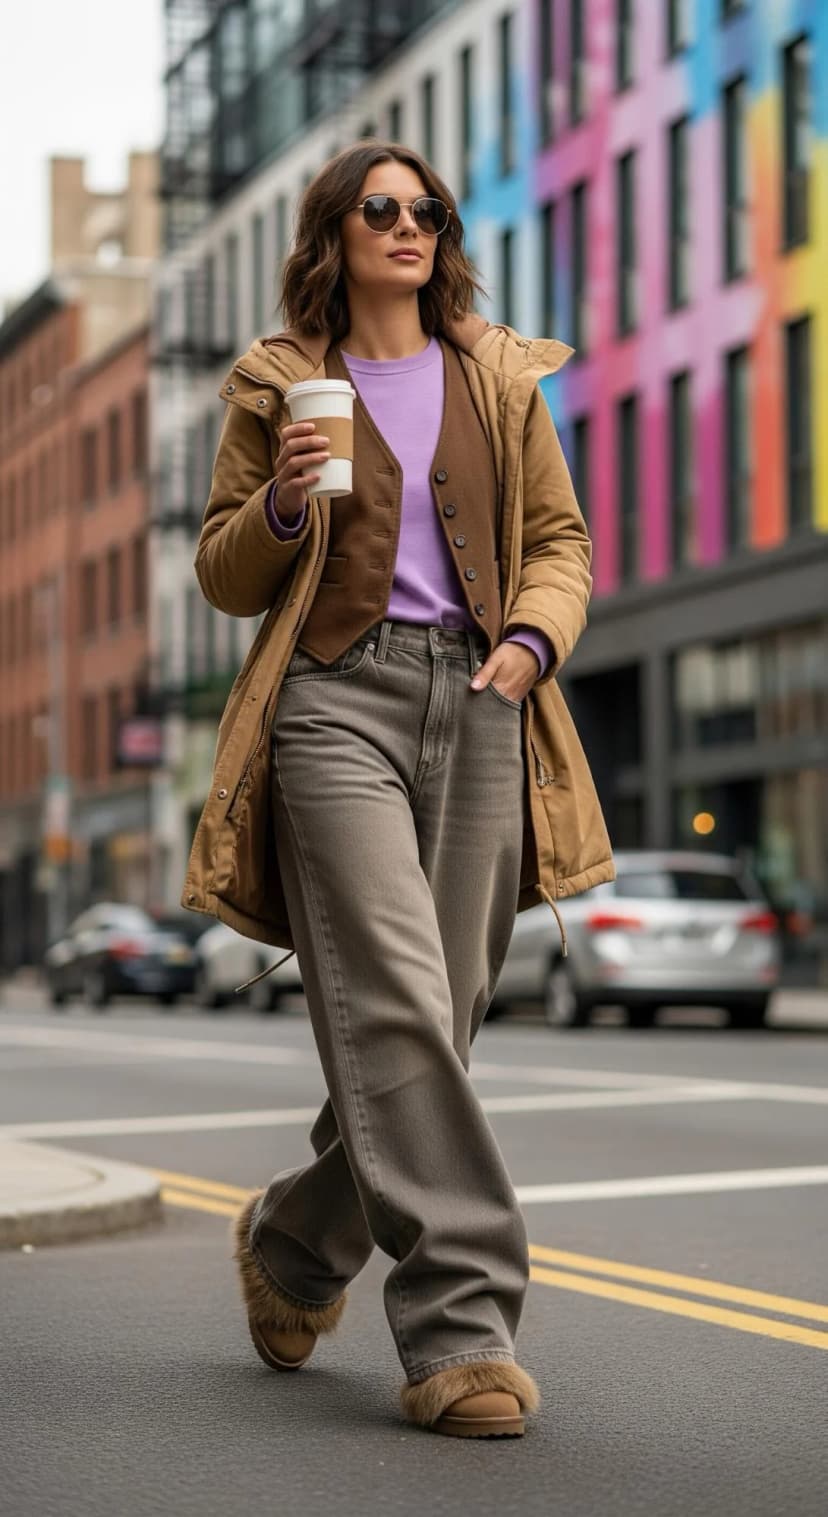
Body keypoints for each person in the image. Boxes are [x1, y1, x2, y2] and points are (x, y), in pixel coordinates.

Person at [183, 141, 614, 1439]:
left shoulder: (499, 374)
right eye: (382, 208)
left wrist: (531, 644)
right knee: (391, 997)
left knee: (439, 1017)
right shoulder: (276, 379)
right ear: (336, 230)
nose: (409, 224)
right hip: (333, 704)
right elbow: (222, 570)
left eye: (427, 209)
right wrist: (285, 511)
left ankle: (298, 1246)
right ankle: (461, 1328)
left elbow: (559, 541)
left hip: (483, 700)